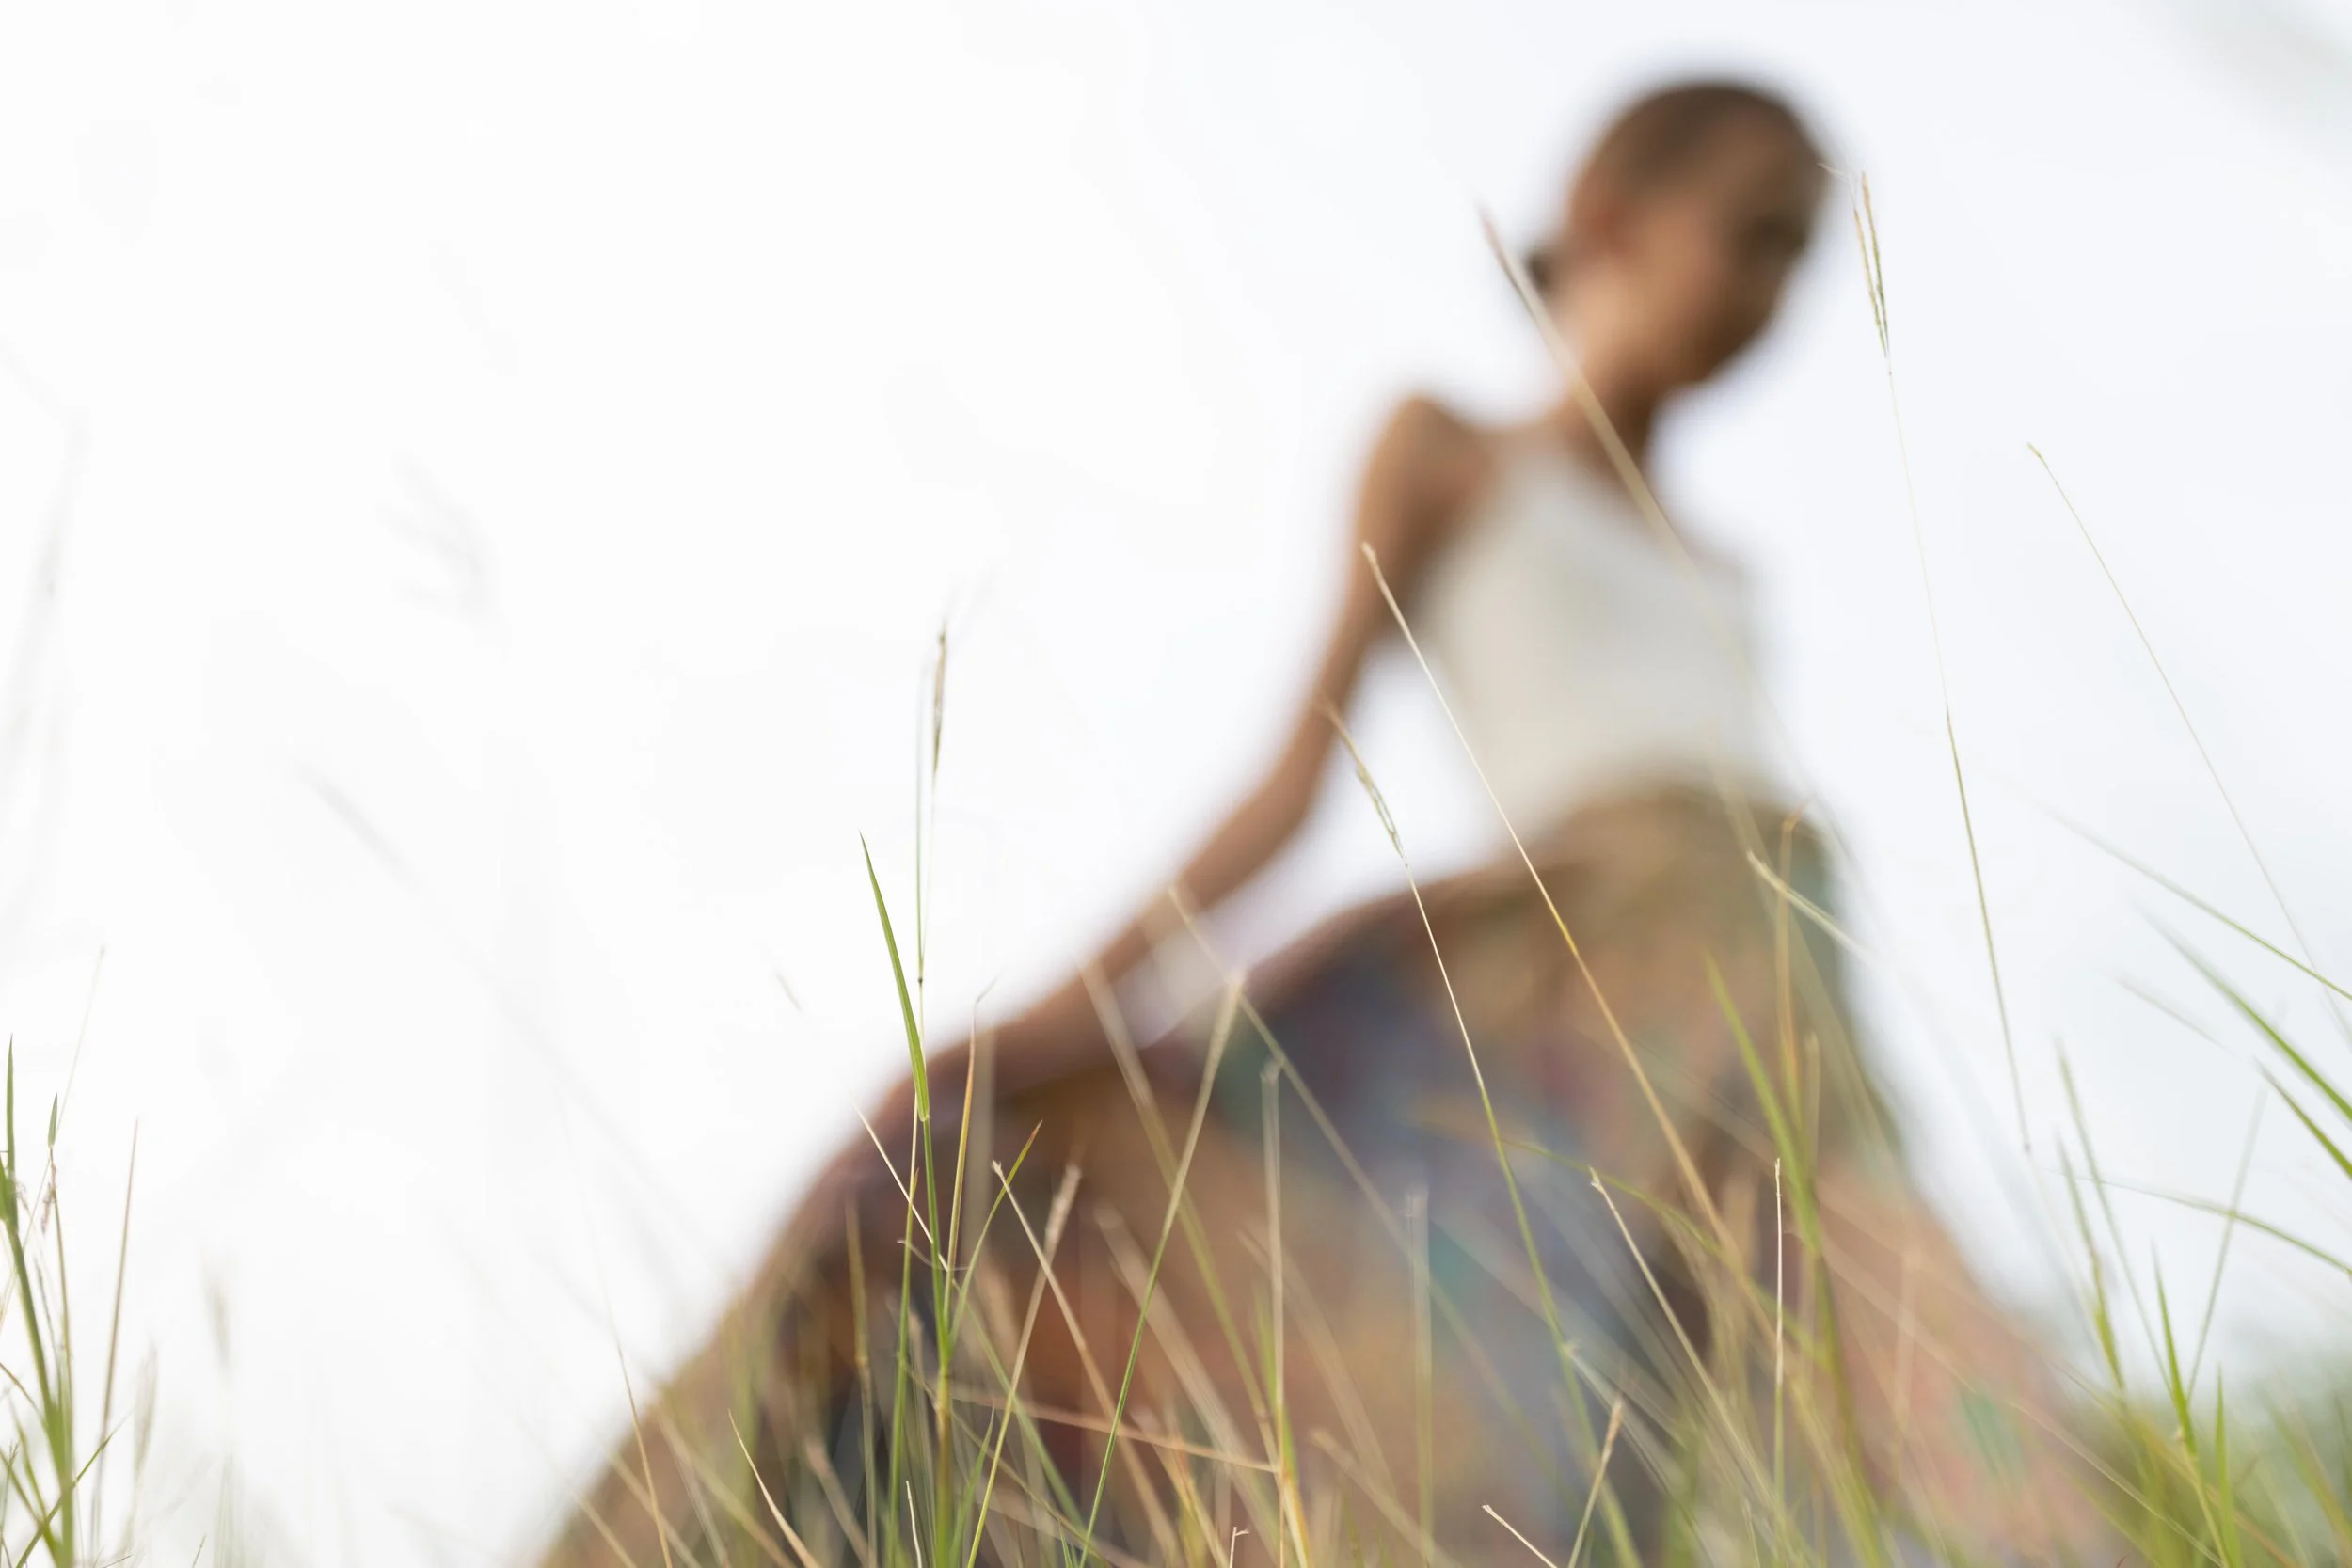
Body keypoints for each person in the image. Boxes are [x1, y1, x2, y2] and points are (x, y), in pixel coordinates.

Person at [539, 81, 2105, 1567]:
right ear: (1614, 211)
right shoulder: (1451, 454)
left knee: (1931, 1366)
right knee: (1503, 1399)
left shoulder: (1726, 561)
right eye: (1755, 233)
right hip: (1564, 980)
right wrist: (1069, 1015)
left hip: (1776, 975)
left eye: (1805, 256)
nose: (1778, 292)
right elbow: (1294, 778)